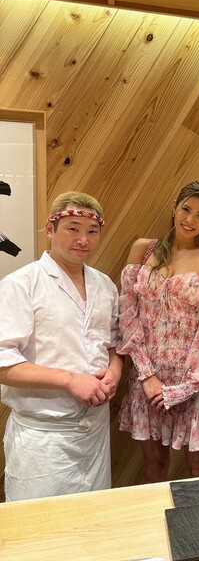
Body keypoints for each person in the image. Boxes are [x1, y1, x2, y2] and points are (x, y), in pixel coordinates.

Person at [0, 191, 121, 501]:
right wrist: (69, 380)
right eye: (73, 228)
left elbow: (113, 343)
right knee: (39, 525)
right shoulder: (20, 284)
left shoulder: (105, 285)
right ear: (50, 229)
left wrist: (115, 371)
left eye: (92, 231)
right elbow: (2, 361)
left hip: (95, 432)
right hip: (43, 439)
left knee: (94, 520)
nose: (83, 240)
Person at [116, 180, 199, 482]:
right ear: (174, 208)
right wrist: (147, 376)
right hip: (148, 379)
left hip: (192, 380)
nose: (190, 220)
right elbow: (128, 316)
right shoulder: (143, 249)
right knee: (154, 466)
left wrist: (185, 388)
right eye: (186, 209)